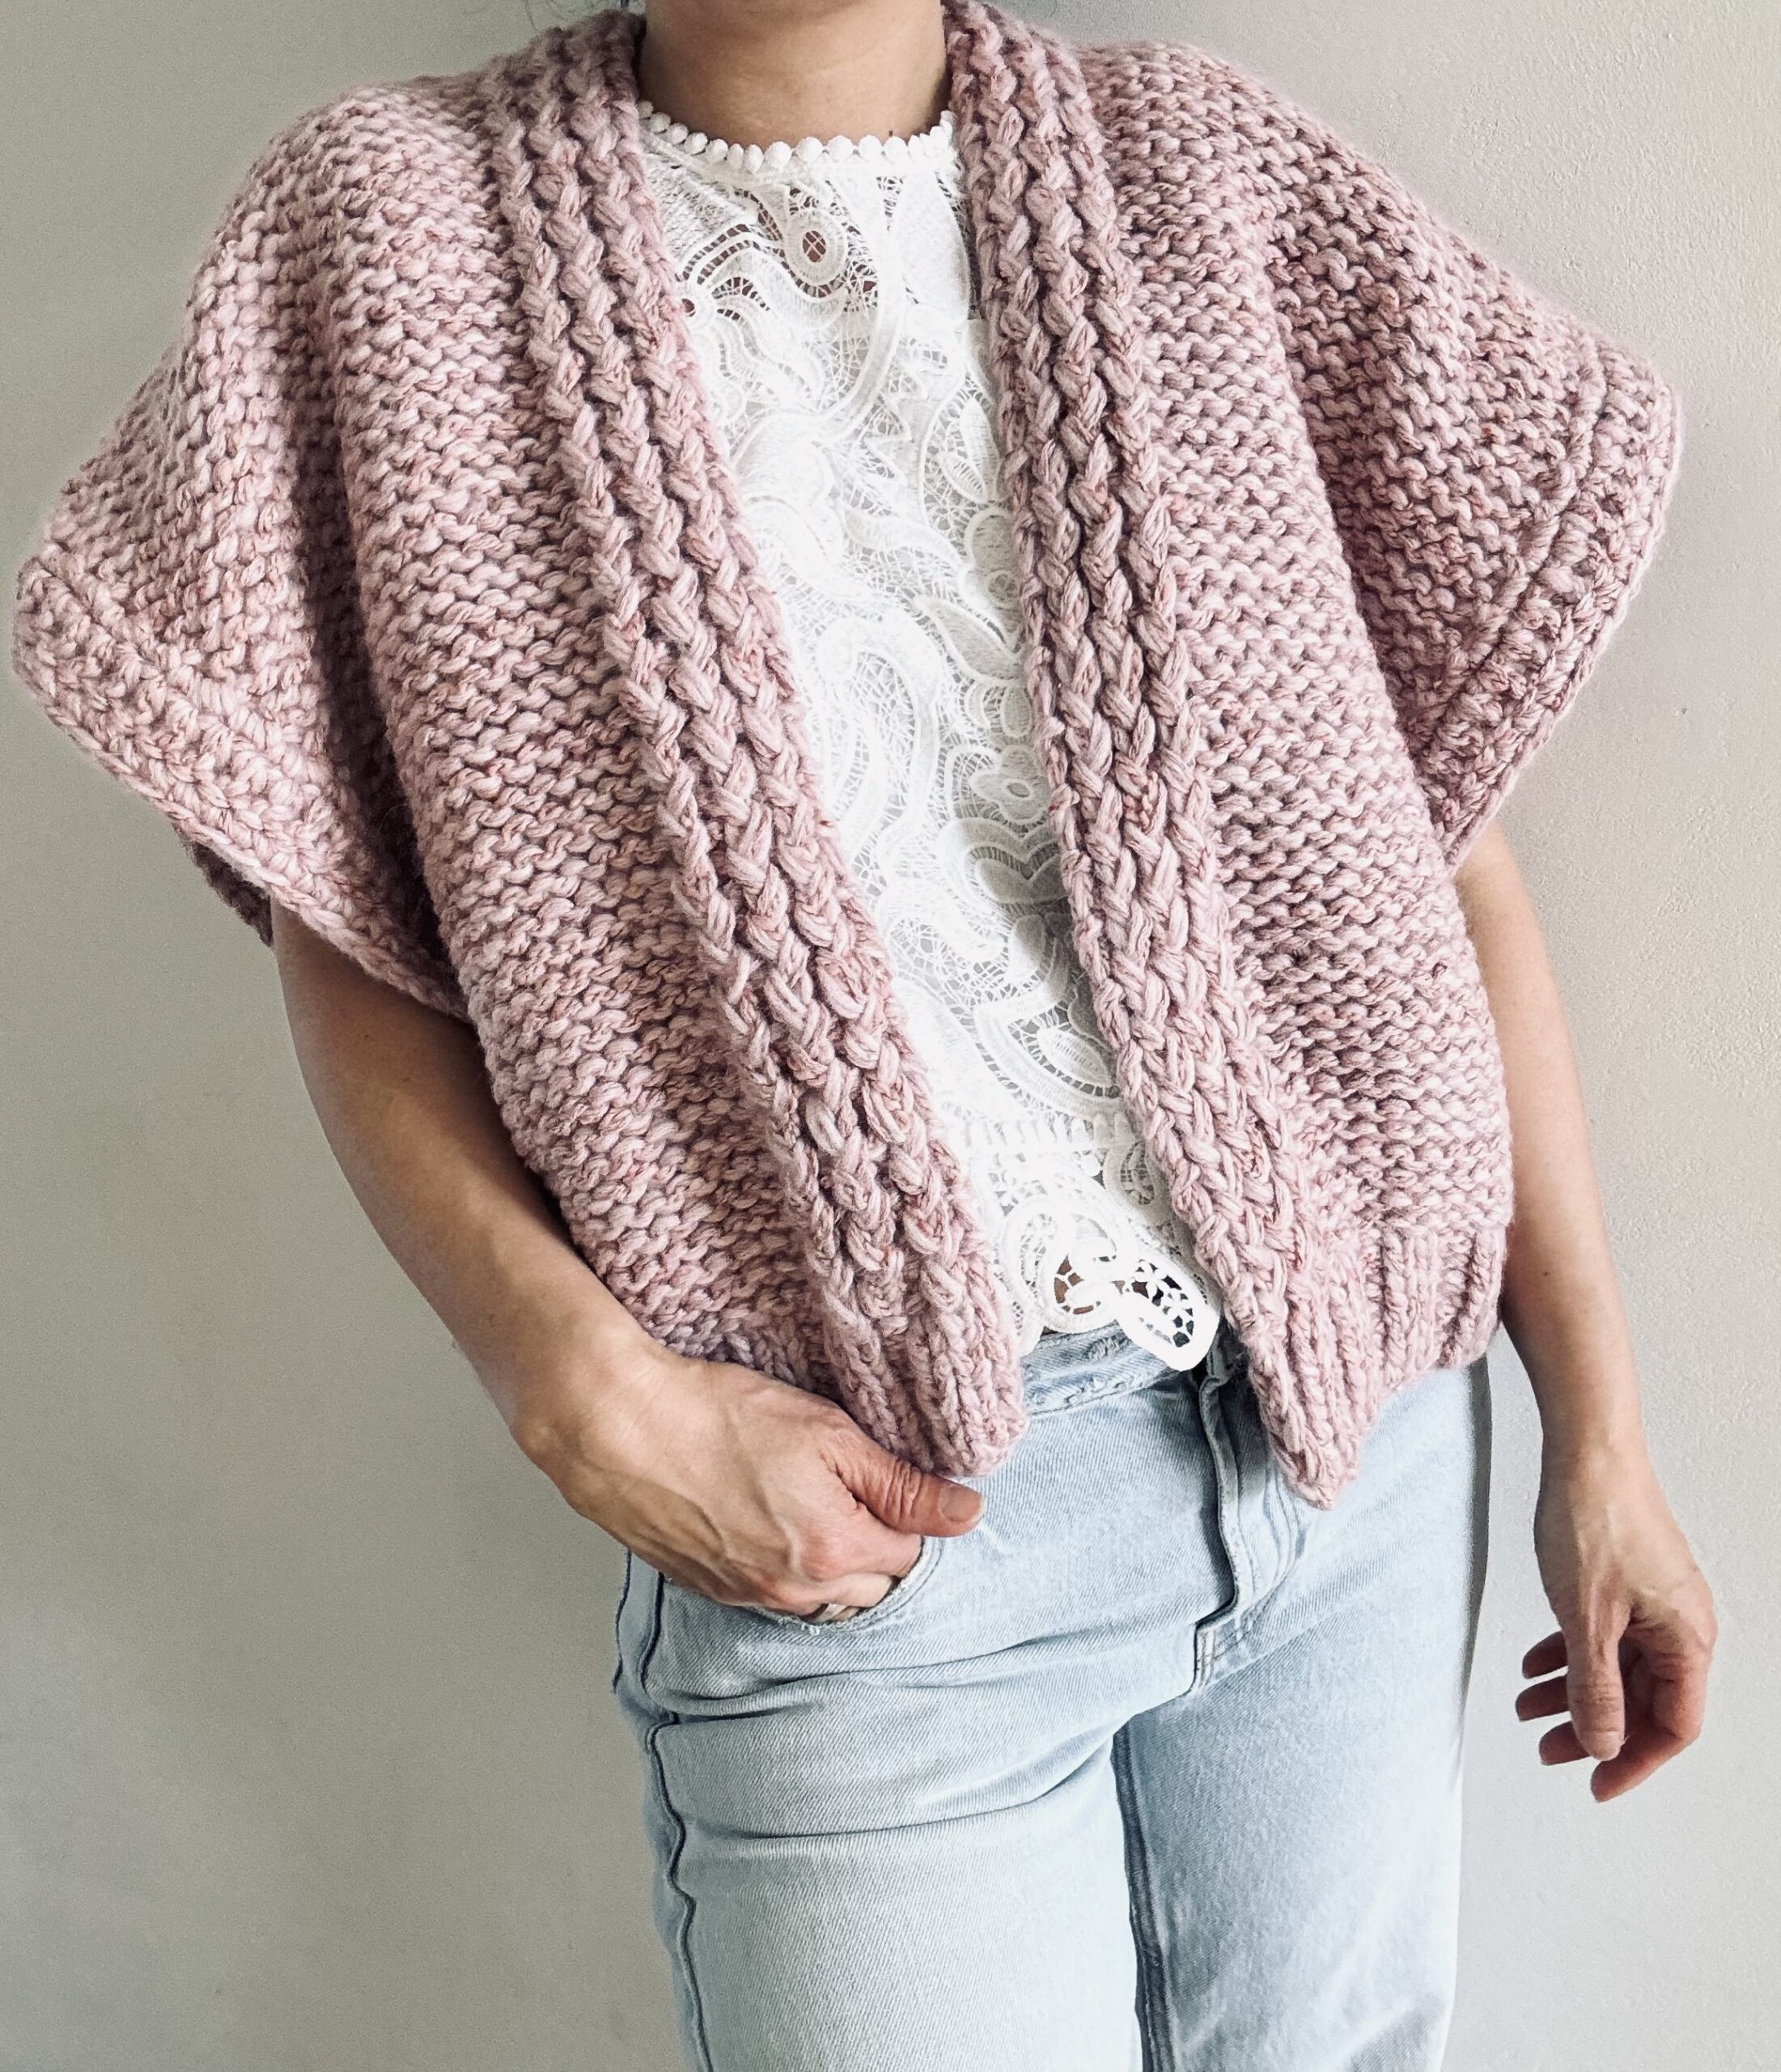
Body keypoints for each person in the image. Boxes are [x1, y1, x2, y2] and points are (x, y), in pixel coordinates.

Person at [11, 0, 1717, 2066]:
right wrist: (575, 1382)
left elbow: (1429, 863)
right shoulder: (387, 235)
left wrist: (1600, 1434)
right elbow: (350, 910)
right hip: (872, 1555)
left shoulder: (1207, 177)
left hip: (1349, 1467)